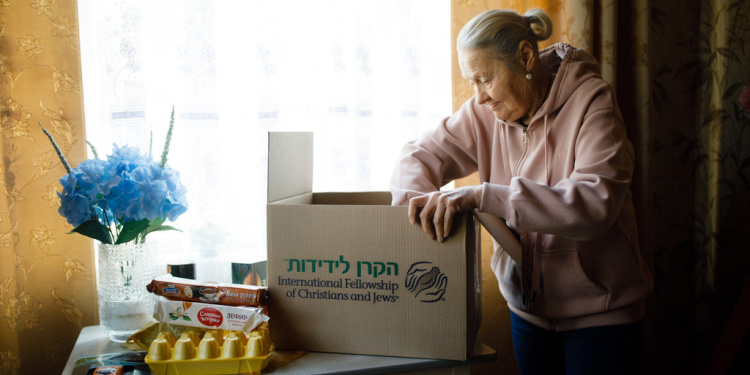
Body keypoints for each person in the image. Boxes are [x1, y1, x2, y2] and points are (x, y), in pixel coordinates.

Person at [390, 8, 653, 375]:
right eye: (472, 82)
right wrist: (417, 211)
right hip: (527, 314)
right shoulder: (485, 112)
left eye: (483, 79)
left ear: (526, 58)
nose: (479, 97)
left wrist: (484, 196)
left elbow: (594, 204)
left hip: (602, 315)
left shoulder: (593, 102)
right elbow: (417, 156)